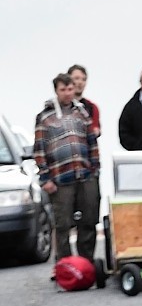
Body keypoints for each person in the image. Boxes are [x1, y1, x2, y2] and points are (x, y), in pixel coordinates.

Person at [33, 73, 99, 264]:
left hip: (85, 175)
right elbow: (39, 149)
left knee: (88, 221)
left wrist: (94, 169)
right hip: (60, 179)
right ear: (56, 91)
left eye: (70, 89)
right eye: (63, 90)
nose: (68, 93)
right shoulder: (45, 117)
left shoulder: (81, 112)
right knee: (62, 225)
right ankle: (65, 266)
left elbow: (92, 142)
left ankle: (86, 263)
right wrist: (45, 179)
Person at [67, 65, 100, 137]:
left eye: (83, 79)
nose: (80, 82)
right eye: (76, 78)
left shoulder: (92, 107)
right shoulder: (57, 106)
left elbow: (95, 131)